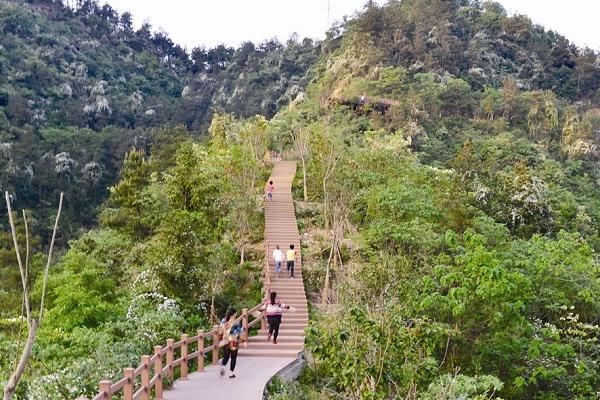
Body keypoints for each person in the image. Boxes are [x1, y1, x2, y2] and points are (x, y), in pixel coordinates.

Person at [219, 308, 246, 378]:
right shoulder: (236, 322)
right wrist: (244, 341)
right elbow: (240, 332)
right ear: (234, 314)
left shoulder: (223, 321)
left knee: (226, 355)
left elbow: (220, 331)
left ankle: (223, 367)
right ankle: (231, 373)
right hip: (234, 341)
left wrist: (221, 338)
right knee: (233, 357)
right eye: (236, 313)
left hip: (226, 340)